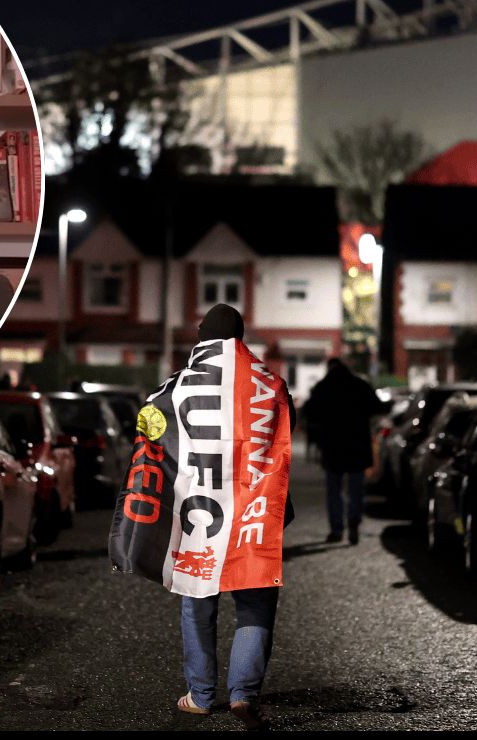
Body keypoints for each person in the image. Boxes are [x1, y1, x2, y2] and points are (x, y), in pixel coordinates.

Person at [107, 304, 295, 731]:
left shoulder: (173, 387)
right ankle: (243, 693)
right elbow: (285, 435)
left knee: (197, 599)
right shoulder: (271, 384)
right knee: (254, 599)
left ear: (203, 336)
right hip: (252, 510)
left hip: (199, 514)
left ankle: (202, 694)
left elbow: (149, 426)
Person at [301, 358, 388, 545]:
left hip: (333, 446)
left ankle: (336, 528)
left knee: (334, 489)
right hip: (357, 444)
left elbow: (309, 412)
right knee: (356, 488)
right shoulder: (360, 385)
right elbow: (377, 407)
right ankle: (354, 522)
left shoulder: (324, 387)